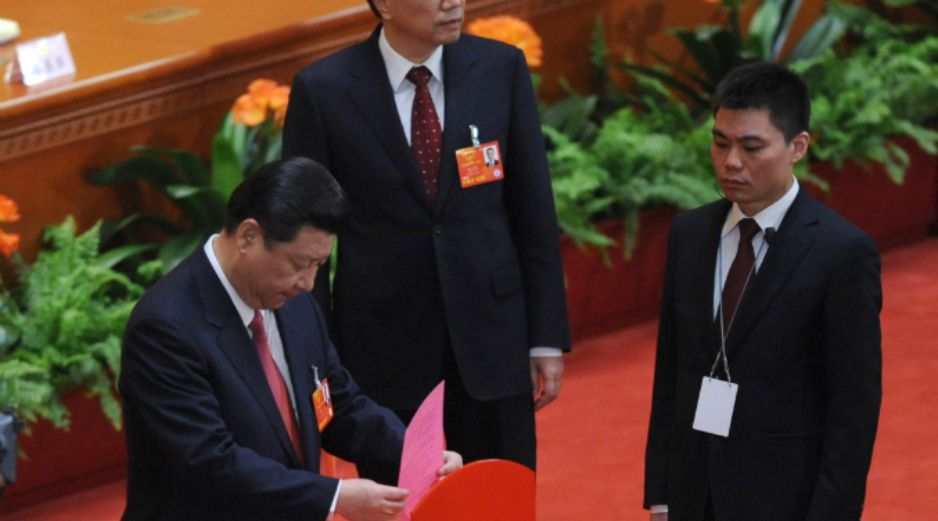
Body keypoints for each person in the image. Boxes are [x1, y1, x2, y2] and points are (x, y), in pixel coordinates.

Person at [282, 0, 570, 483]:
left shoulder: (500, 67)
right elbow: (304, 239)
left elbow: (533, 212)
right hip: (383, 349)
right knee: (402, 500)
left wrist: (545, 337)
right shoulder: (325, 90)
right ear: (386, 5)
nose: (453, 2)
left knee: (497, 498)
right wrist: (313, 357)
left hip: (492, 340)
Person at [119, 157, 460, 521]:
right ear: (249, 236)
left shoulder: (294, 305)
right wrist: (335, 496)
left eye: (318, 266)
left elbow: (335, 404)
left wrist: (416, 452)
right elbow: (210, 461)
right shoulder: (164, 328)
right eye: (298, 264)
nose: (309, 283)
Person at [644, 62, 882, 521]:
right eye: (720, 142)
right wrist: (662, 495)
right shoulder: (689, 235)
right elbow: (670, 375)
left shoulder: (841, 253)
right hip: (695, 494)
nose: (731, 161)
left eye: (751, 147)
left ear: (798, 147)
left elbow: (853, 411)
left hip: (785, 499)